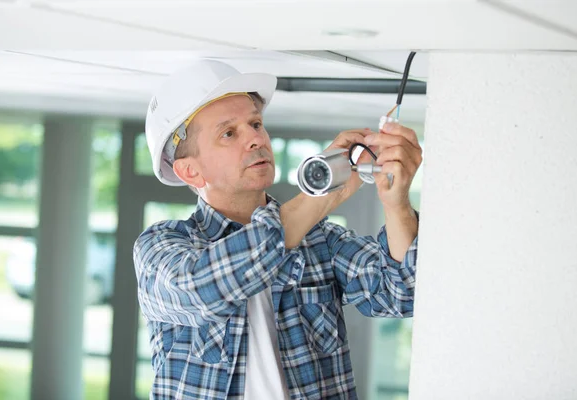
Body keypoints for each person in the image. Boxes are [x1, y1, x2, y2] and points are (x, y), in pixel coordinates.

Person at [134, 60, 422, 400]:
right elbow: (204, 286)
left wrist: (396, 202)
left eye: (255, 123)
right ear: (190, 172)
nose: (256, 138)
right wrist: (323, 195)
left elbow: (403, 291)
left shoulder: (320, 242)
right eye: (229, 133)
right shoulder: (161, 248)